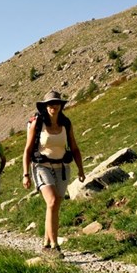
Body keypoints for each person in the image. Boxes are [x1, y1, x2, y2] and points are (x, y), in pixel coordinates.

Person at [22, 90, 85, 258]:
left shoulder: (66, 123)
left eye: (56, 103)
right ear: (45, 106)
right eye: (50, 104)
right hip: (41, 167)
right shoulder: (38, 123)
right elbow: (27, 150)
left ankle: (46, 243)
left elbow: (74, 147)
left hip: (62, 168)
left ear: (61, 106)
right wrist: (25, 174)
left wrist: (81, 169)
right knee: (52, 201)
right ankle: (55, 246)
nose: (53, 107)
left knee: (54, 205)